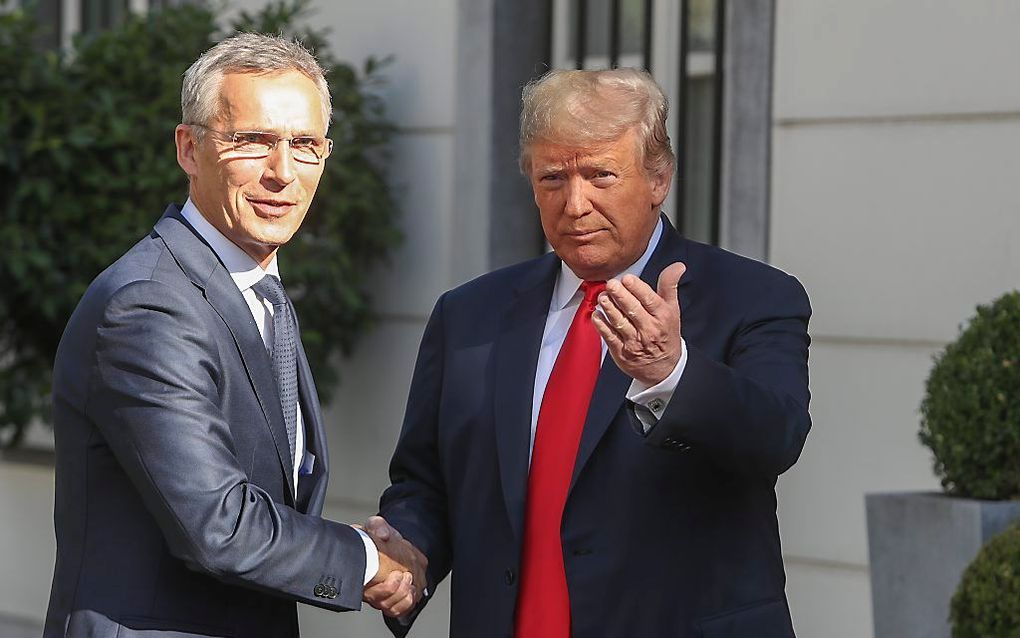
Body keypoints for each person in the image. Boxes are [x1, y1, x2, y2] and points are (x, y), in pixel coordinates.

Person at [371, 68, 811, 637]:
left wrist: (670, 374)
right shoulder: (469, 315)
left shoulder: (752, 297)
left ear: (659, 178)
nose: (574, 204)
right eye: (552, 178)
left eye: (601, 175)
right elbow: (426, 481)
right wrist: (409, 552)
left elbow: (774, 437)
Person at [43, 33, 424, 638]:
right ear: (189, 149)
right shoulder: (149, 305)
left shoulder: (253, 288)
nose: (282, 172)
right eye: (253, 141)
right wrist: (369, 561)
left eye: (305, 146)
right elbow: (218, 526)